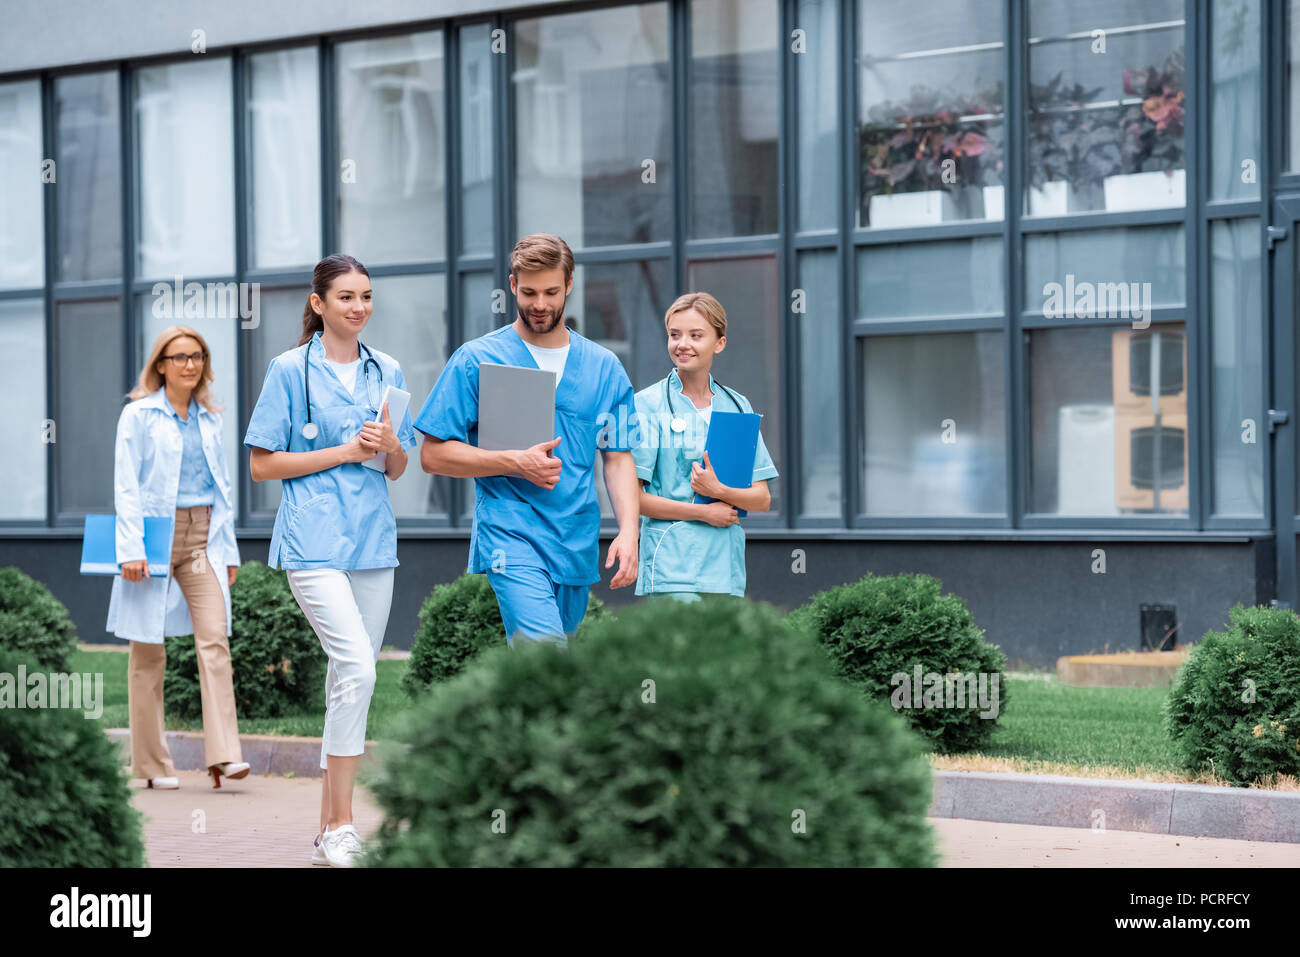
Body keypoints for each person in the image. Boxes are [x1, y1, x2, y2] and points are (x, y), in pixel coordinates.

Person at [243, 253, 416, 868]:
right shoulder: (289, 370)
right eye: (346, 296)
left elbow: (397, 468)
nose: (359, 307)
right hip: (313, 542)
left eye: (366, 295)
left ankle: (327, 834)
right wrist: (345, 450)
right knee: (359, 671)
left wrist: (390, 445)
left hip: (372, 542)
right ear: (318, 304)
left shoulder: (387, 370)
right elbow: (263, 464)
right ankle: (343, 825)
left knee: (348, 681)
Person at [416, 233, 640, 647]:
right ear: (513, 285)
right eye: (530, 292)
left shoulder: (604, 367)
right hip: (510, 532)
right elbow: (433, 455)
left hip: (575, 537)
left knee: (547, 666)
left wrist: (629, 531)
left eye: (552, 292)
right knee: (545, 653)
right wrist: (514, 462)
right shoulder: (476, 359)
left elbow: (618, 456)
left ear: (569, 285)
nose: (540, 304)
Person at [108, 325, 249, 791]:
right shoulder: (139, 415)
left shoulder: (211, 418)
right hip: (152, 539)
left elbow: (223, 491)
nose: (190, 364)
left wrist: (227, 552)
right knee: (148, 650)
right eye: (180, 356)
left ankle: (225, 757)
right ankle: (150, 765)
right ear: (161, 365)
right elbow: (127, 484)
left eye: (198, 356)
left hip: (202, 537)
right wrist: (129, 549)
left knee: (214, 639)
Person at [632, 292, 778, 600]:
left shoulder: (738, 406)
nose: (682, 344)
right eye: (674, 335)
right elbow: (632, 499)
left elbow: (762, 499)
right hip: (671, 564)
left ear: (719, 343)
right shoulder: (648, 404)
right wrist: (702, 514)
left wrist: (719, 491)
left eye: (695, 335)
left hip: (725, 567)